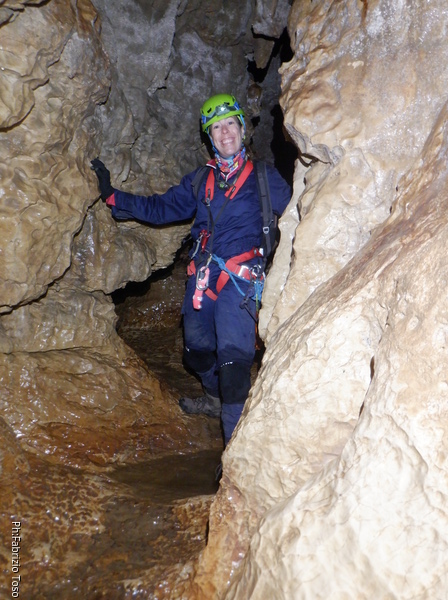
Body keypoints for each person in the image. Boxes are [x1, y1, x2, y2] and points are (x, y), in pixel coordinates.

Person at [91, 93, 291, 447]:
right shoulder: (201, 180)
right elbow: (161, 208)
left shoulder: (265, 179)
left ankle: (233, 454)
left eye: (230, 124)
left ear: (242, 129)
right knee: (196, 353)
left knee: (233, 364)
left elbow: (300, 214)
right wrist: (113, 197)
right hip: (202, 279)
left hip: (241, 285)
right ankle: (214, 400)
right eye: (216, 128)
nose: (225, 132)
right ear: (209, 138)